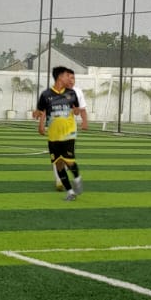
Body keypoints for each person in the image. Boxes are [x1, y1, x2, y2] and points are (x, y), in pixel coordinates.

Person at [36, 64, 83, 200]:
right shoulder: (45, 95)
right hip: (53, 135)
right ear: (59, 77)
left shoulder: (71, 93)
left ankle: (78, 178)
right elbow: (42, 111)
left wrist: (77, 111)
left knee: (69, 162)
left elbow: (76, 109)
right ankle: (70, 192)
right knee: (58, 163)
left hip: (68, 134)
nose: (69, 78)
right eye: (66, 76)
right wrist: (41, 125)